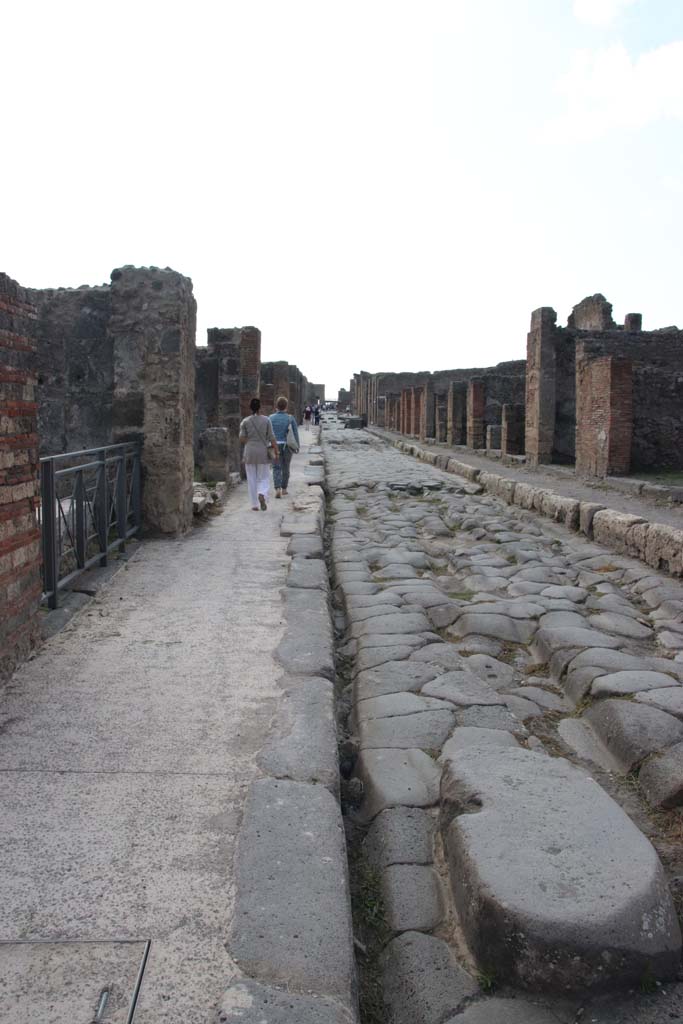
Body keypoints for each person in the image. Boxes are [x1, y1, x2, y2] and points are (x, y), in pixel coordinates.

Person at [239, 397, 278, 510]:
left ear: (250, 408)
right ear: (260, 407)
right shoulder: (267, 420)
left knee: (251, 478)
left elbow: (241, 438)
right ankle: (262, 493)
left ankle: (254, 505)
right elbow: (272, 437)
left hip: (250, 452)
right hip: (262, 452)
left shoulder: (245, 421)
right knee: (264, 476)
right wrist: (276, 451)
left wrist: (250, 442)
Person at [269, 395, 300, 498]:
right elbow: (295, 433)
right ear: (286, 406)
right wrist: (297, 446)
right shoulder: (290, 418)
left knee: (276, 467)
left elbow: (267, 433)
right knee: (286, 467)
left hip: (275, 446)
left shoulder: (270, 418)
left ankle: (277, 488)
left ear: (276, 406)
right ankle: (284, 489)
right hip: (287, 446)